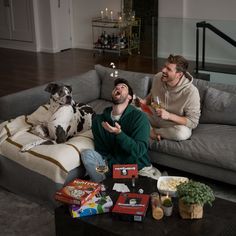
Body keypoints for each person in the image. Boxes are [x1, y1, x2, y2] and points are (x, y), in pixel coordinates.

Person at [80, 78, 152, 182]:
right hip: (110, 168)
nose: (118, 87)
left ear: (129, 97)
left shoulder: (139, 117)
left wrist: (119, 134)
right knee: (87, 154)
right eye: (116, 87)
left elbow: (139, 150)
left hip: (137, 169)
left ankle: (106, 183)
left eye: (123, 87)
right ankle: (102, 184)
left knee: (141, 192)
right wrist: (115, 168)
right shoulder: (99, 121)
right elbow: (102, 152)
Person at [136, 54, 201, 141]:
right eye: (164, 66)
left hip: (172, 123)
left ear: (179, 74)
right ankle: (149, 131)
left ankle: (150, 131)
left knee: (182, 133)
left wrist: (169, 116)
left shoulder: (191, 92)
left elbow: (193, 122)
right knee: (129, 108)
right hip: (154, 114)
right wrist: (144, 102)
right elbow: (153, 94)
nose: (163, 70)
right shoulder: (158, 77)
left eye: (168, 69)